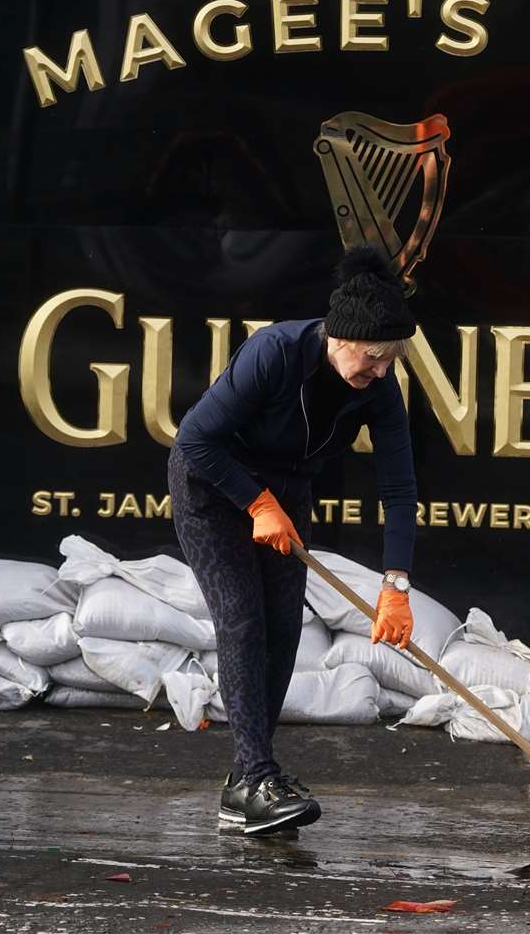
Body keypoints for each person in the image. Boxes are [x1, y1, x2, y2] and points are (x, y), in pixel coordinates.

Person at [169, 244, 419, 835]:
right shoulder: (276, 351)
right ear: (341, 337)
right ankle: (256, 775)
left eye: (389, 362)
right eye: (373, 358)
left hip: (287, 496)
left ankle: (246, 784)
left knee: (283, 629)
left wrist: (396, 585)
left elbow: (400, 487)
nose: (380, 371)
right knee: (242, 619)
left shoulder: (378, 389)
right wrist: (254, 502)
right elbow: (194, 439)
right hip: (212, 486)